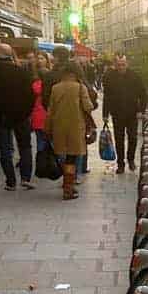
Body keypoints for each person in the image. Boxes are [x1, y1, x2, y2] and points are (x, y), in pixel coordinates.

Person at [0, 44, 34, 190]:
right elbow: (30, 95)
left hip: (1, 116)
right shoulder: (21, 71)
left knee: (5, 149)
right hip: (21, 116)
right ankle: (25, 178)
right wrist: (26, 112)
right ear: (10, 54)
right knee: (25, 147)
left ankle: (10, 181)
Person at [45, 66, 94, 200]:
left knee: (63, 156)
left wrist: (47, 128)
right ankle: (68, 188)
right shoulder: (80, 87)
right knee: (71, 158)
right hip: (76, 128)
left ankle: (67, 183)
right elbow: (88, 106)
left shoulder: (55, 88)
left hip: (59, 127)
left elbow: (50, 110)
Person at [103, 54, 146, 174]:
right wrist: (105, 114)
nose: (121, 67)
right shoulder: (110, 77)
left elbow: (143, 94)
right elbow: (107, 97)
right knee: (119, 139)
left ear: (127, 64)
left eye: (123, 64)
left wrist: (141, 110)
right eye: (118, 65)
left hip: (132, 113)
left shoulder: (134, 76)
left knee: (132, 137)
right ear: (115, 65)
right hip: (117, 113)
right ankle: (120, 163)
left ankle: (131, 159)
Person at [30, 53, 49, 159]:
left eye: (42, 58)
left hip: (42, 113)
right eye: (38, 59)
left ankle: (42, 162)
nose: (40, 60)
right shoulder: (36, 79)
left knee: (41, 140)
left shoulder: (35, 82)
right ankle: (46, 162)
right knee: (44, 140)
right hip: (42, 113)